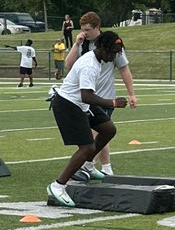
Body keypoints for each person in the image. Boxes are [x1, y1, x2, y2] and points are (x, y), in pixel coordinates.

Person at [47, 31, 129, 207]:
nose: (114, 56)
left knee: (108, 129)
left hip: (80, 103)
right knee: (87, 147)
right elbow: (86, 96)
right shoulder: (90, 65)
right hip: (68, 104)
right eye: (113, 52)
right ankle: (58, 185)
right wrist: (112, 102)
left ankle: (87, 167)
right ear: (102, 48)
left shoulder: (97, 60)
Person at [64, 11, 136, 176]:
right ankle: (105, 167)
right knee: (103, 132)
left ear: (97, 27)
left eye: (88, 29)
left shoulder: (110, 43)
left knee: (98, 133)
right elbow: (68, 65)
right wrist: (76, 44)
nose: (85, 32)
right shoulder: (83, 44)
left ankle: (89, 165)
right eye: (83, 29)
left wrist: (131, 94)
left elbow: (124, 69)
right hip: (85, 96)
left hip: (103, 97)